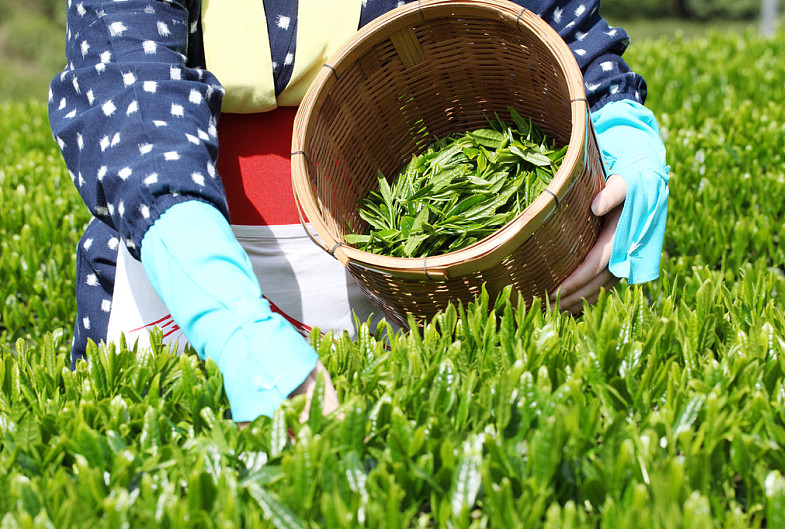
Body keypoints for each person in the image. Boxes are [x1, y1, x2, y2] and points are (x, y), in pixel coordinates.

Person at [49, 0, 669, 423]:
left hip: (408, 265)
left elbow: (554, 22)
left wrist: (617, 125)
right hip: (187, 267)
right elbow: (129, 90)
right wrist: (227, 318)